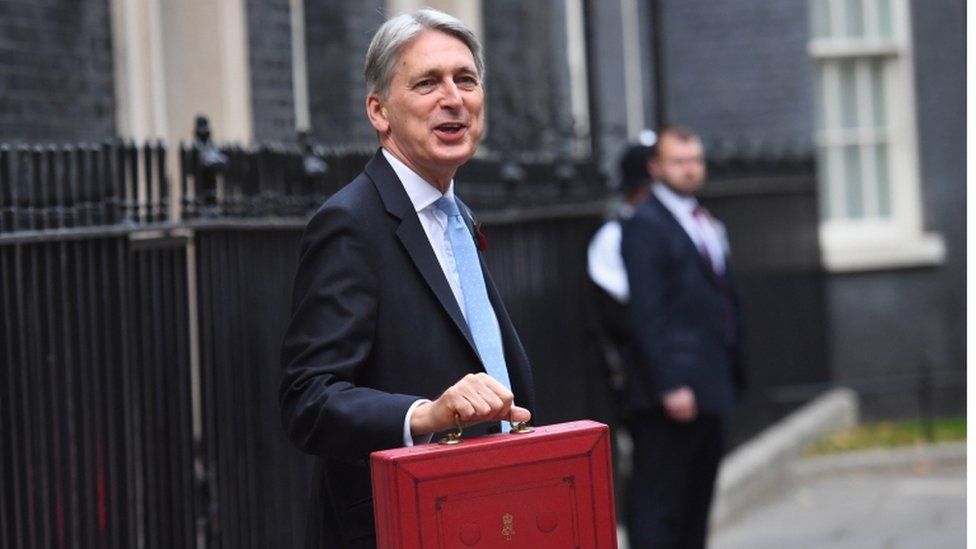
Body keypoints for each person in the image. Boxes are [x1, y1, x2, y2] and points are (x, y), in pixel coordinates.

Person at [278, 9, 535, 548]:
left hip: (486, 515)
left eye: (465, 79)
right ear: (380, 111)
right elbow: (308, 399)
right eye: (427, 83)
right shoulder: (349, 222)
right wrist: (425, 414)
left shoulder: (455, 214)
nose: (454, 97)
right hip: (397, 527)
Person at [620, 125, 746, 548]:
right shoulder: (644, 224)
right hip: (672, 393)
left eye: (695, 160)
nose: (690, 170)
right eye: (679, 161)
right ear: (656, 168)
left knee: (696, 501)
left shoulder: (702, 221)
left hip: (710, 381)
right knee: (661, 503)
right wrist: (670, 384)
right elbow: (647, 313)